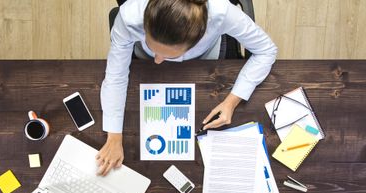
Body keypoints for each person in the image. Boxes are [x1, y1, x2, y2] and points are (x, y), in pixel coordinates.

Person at [96, 0, 277, 175]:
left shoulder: (222, 13)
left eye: (168, 55)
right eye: (154, 48)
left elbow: (267, 50)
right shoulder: (130, 16)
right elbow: (116, 75)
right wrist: (114, 137)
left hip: (205, 58)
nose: (158, 61)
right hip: (143, 62)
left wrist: (232, 100)